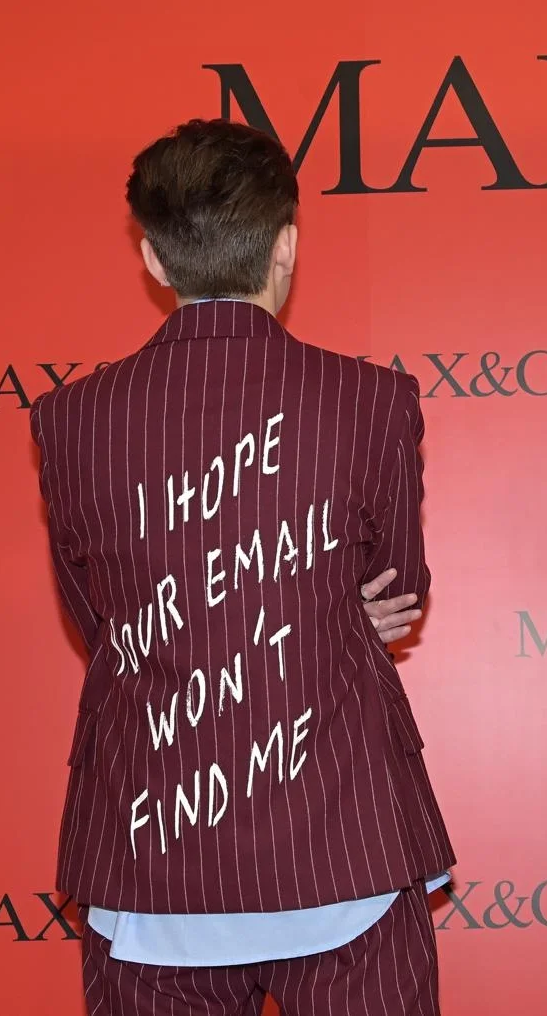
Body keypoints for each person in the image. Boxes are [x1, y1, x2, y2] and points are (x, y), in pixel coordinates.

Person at [30, 118, 453, 1016]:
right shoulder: (372, 400)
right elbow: (398, 588)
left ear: (153, 259)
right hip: (345, 847)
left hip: (151, 855)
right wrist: (326, 606)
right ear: (286, 245)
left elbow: (95, 614)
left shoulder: (70, 418)